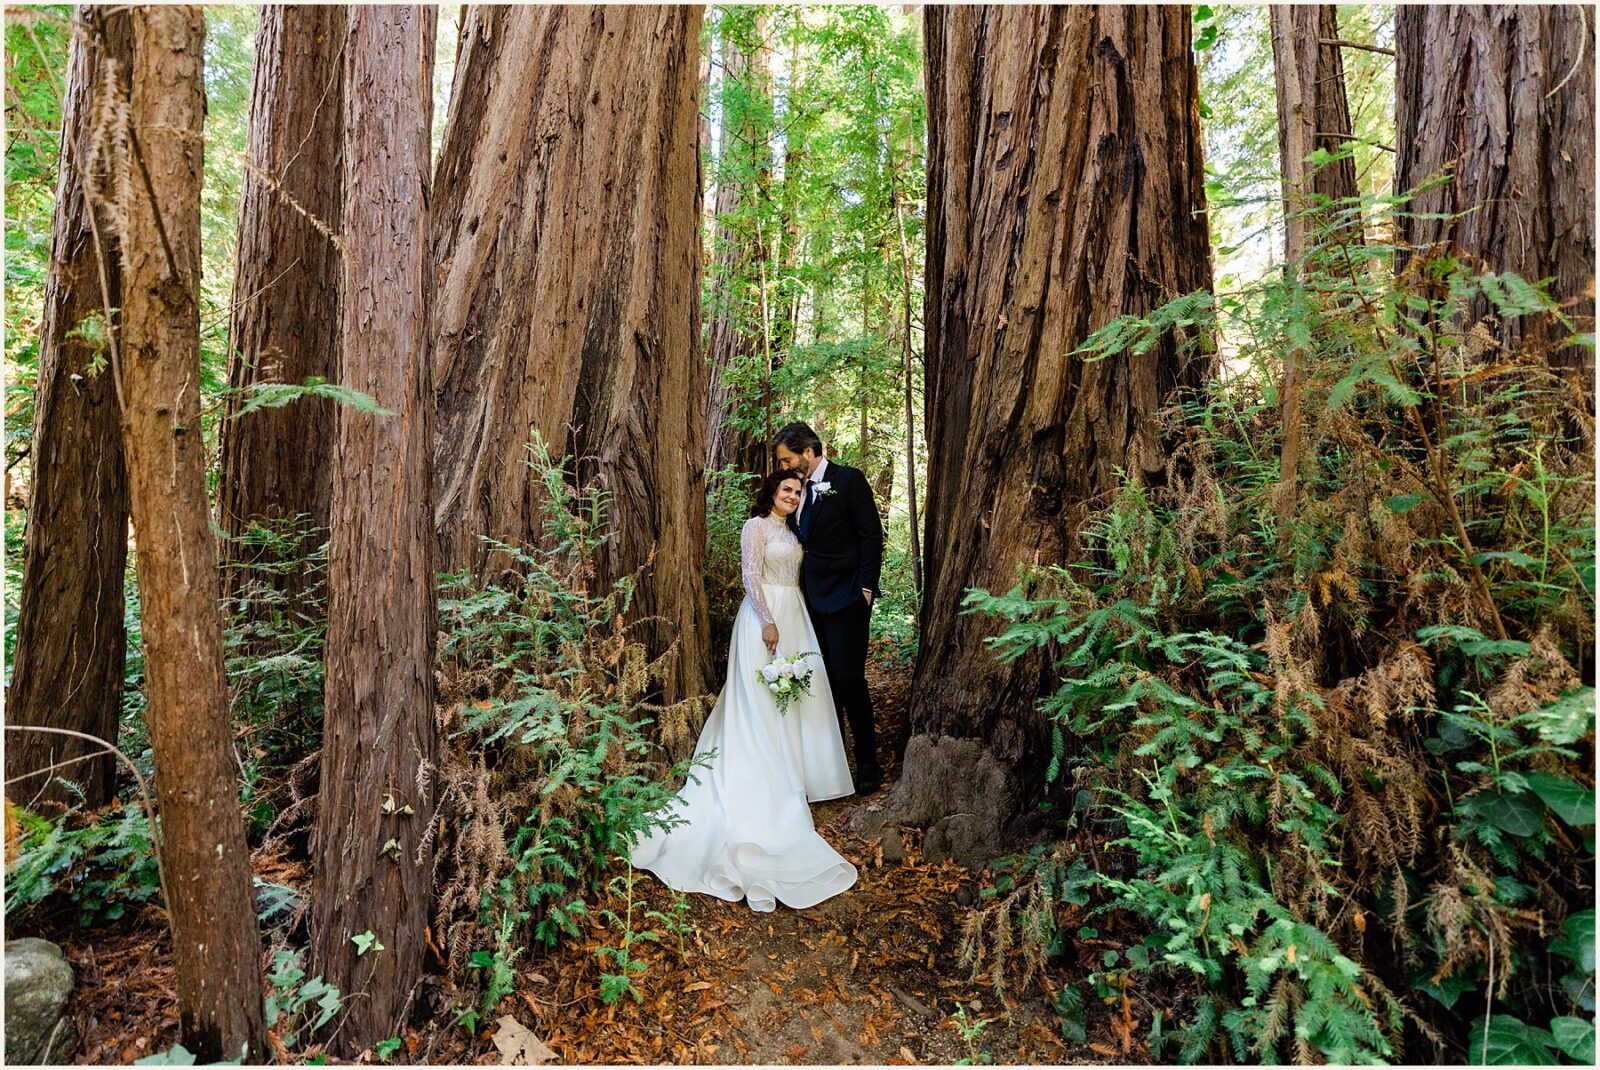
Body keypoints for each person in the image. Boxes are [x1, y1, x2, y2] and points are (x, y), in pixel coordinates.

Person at [630, 469, 857, 912]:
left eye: (798, 491)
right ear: (771, 493)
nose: (793, 496)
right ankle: (762, 777)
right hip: (763, 619)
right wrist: (768, 620)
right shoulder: (756, 527)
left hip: (795, 615)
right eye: (786, 490)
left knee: (793, 697)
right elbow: (751, 574)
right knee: (759, 701)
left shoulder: (793, 531)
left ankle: (796, 772)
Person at [772, 422, 885, 795]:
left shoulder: (848, 480)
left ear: (808, 451)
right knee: (820, 683)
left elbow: (871, 535)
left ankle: (868, 761)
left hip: (847, 597)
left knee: (848, 679)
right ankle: (832, 766)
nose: (784, 466)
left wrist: (866, 588)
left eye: (788, 458)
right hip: (809, 601)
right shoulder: (795, 491)